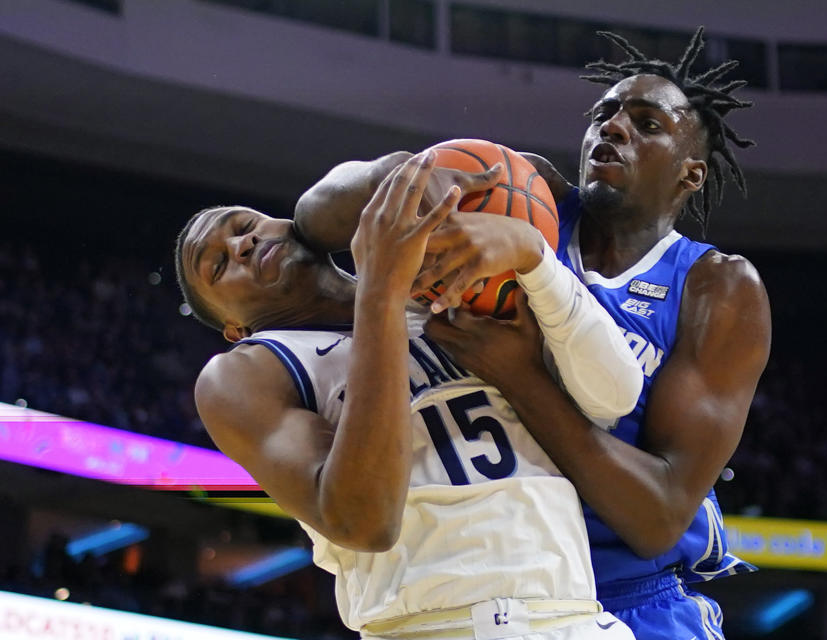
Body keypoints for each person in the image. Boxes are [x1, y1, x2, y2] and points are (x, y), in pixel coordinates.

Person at [303, 27, 771, 640]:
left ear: (691, 175)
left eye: (647, 123)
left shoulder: (717, 287)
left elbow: (656, 516)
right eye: (604, 114)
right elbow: (313, 216)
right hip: (497, 585)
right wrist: (405, 177)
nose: (613, 127)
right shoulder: (528, 195)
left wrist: (519, 374)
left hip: (630, 597)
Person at [173, 152, 642, 640]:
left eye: (245, 226)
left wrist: (533, 253)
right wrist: (379, 292)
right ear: (232, 327)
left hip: (573, 616)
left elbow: (617, 396)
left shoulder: (449, 281)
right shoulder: (246, 372)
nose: (243, 245)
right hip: (433, 628)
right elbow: (362, 522)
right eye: (219, 264)